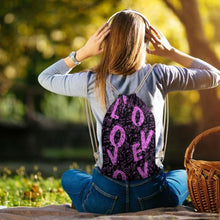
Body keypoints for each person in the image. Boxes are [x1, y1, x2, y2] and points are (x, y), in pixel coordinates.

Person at [38, 9, 220, 214]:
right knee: (182, 175)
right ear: (147, 41)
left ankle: (91, 196)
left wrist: (82, 53)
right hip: (152, 197)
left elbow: (45, 78)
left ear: (106, 42)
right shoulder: (160, 75)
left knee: (70, 176)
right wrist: (171, 52)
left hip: (105, 198)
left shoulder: (91, 80)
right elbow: (214, 75)